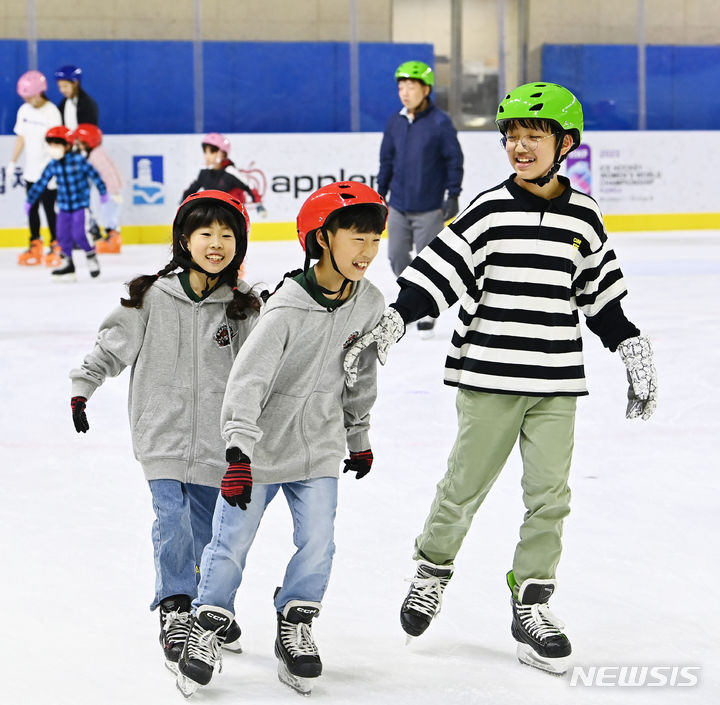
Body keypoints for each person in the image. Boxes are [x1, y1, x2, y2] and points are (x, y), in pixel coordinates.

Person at [344, 83, 658, 675]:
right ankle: (431, 571)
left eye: (533, 137)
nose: (520, 146)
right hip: (488, 375)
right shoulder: (488, 210)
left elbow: (601, 299)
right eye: (512, 136)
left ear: (564, 144)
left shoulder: (584, 217)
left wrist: (630, 346)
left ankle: (532, 600)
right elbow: (437, 274)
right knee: (463, 488)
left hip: (557, 382)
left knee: (550, 497)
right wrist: (397, 316)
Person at [175, 181, 387, 698]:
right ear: (321, 239)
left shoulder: (371, 304)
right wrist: (238, 452)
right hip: (259, 452)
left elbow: (361, 374)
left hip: (318, 448)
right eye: (356, 239)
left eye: (375, 239)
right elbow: (247, 383)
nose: (368, 251)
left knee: (318, 542)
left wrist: (357, 433)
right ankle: (207, 624)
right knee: (231, 545)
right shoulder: (286, 309)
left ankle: (295, 619)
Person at [69, 190, 261, 673]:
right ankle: (176, 606)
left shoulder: (242, 308)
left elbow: (262, 370)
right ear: (184, 239)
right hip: (161, 435)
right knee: (171, 521)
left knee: (213, 533)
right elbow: (111, 347)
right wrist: (83, 386)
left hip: (218, 445)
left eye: (227, 234)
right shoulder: (151, 296)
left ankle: (213, 607)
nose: (216, 243)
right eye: (205, 234)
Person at [377, 60, 464, 338]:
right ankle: (416, 298)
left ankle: (426, 309)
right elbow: (386, 161)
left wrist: (453, 193)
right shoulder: (395, 122)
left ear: (426, 90)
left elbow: (454, 159)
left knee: (428, 262)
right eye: (401, 87)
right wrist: (381, 194)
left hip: (429, 208)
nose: (405, 92)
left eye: (411, 86)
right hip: (399, 205)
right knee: (396, 256)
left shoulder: (440, 123)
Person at [25, 126, 107, 280]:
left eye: (57, 145)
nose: (53, 149)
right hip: (63, 207)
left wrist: (103, 192)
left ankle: (91, 256)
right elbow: (41, 182)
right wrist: (30, 200)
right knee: (62, 236)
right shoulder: (53, 164)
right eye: (51, 145)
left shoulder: (78, 160)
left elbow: (94, 175)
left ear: (68, 145)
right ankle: (68, 265)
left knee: (80, 235)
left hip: (80, 206)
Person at [9, 70, 62, 266]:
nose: (28, 101)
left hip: (49, 173)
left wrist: (52, 167)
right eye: (25, 98)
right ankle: (35, 243)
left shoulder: (52, 112)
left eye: (30, 97)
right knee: (31, 208)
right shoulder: (24, 110)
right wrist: (13, 161)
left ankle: (56, 244)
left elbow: (57, 143)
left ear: (40, 92)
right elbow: (21, 137)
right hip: (31, 172)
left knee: (50, 209)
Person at [181, 132, 265, 214]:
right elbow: (194, 188)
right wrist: (184, 199)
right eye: (205, 152)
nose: (207, 156)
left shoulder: (230, 172)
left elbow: (248, 186)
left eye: (211, 152)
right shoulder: (204, 173)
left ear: (223, 154)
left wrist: (258, 203)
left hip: (233, 214)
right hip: (215, 213)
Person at [73, 123, 124, 254]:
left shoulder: (95, 156)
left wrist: (113, 191)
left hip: (110, 191)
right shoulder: (96, 153)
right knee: (109, 215)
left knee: (109, 215)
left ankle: (113, 242)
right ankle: (112, 239)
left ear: (88, 142)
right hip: (112, 190)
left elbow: (108, 173)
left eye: (79, 143)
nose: (77, 146)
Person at [54, 64, 99, 129]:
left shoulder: (88, 105)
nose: (62, 90)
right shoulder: (64, 103)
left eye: (65, 86)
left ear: (75, 83)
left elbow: (89, 132)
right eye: (60, 86)